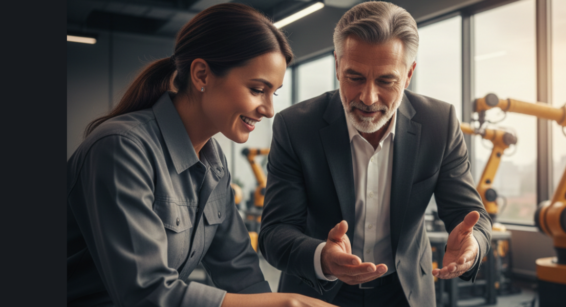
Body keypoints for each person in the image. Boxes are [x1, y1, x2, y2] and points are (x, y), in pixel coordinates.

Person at [66, 3, 335, 307]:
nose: (269, 110)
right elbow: (146, 293)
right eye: (257, 89)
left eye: (273, 93)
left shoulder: (214, 164)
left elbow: (241, 274)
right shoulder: (121, 149)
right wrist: (285, 304)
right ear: (202, 74)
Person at [258, 2, 493, 307]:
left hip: (405, 292)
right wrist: (323, 258)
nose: (368, 98)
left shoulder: (440, 123)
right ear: (337, 65)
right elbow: (275, 232)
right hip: (317, 290)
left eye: (386, 80)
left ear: (408, 75)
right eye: (354, 77)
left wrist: (471, 245)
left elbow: (471, 216)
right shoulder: (296, 126)